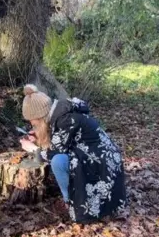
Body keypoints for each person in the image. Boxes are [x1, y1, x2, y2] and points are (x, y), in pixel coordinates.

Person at [19, 84, 127, 224]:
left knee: (58, 161)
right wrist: (38, 139)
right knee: (61, 159)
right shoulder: (62, 113)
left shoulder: (65, 120)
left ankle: (68, 202)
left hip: (103, 164)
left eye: (31, 120)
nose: (31, 123)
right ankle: (70, 198)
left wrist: (32, 148)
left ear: (39, 116)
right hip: (100, 157)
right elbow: (60, 141)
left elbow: (54, 153)